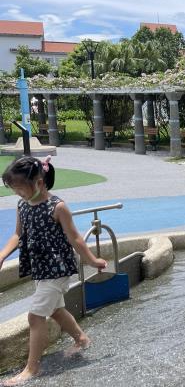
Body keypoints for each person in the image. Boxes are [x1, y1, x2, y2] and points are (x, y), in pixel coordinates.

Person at [0, 156, 107, 386]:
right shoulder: (23, 206)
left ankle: (32, 368)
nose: (18, 195)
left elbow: (76, 239)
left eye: (20, 190)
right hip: (40, 269)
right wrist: (2, 255)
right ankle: (81, 339)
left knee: (35, 316)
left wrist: (92, 260)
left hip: (57, 268)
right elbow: (17, 235)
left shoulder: (57, 207)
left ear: (39, 183)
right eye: (15, 191)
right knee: (56, 309)